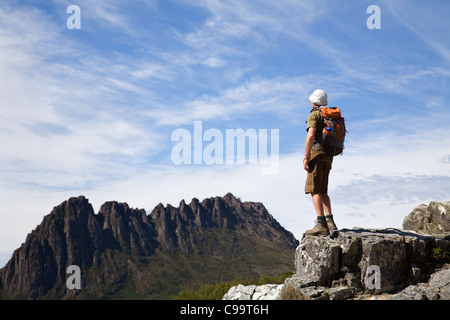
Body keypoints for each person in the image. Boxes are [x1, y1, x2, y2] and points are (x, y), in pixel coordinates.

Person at [303, 89, 338, 236]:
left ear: (314, 102)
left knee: (314, 189)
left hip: (317, 154)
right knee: (323, 189)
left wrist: (306, 157)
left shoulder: (315, 114)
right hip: (329, 155)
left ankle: (321, 224)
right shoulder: (331, 116)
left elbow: (311, 135)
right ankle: (331, 223)